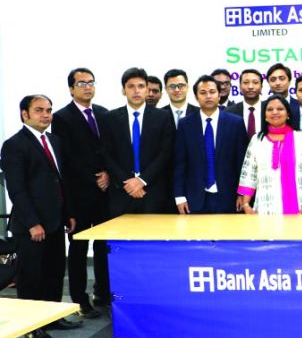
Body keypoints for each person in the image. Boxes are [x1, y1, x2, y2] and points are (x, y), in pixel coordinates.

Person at [3, 95, 84, 337]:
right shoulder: (14, 144)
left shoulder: (53, 140)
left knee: (54, 273)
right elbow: (16, 189)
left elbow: (60, 181)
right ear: (24, 114)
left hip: (56, 222)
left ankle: (52, 318)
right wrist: (32, 223)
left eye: (48, 110)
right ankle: (33, 328)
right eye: (39, 110)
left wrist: (68, 213)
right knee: (32, 278)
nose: (46, 115)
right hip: (32, 226)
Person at [51, 68, 108, 318]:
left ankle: (103, 293)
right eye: (81, 83)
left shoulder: (105, 114)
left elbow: (111, 149)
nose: (87, 86)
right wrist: (93, 178)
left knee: (106, 246)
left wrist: (108, 173)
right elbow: (67, 159)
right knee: (78, 250)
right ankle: (79, 299)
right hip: (79, 195)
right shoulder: (61, 118)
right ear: (71, 88)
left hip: (106, 193)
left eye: (91, 82)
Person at [100, 67, 175, 218]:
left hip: (152, 191)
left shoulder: (163, 117)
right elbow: (106, 154)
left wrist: (142, 180)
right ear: (123, 90)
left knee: (152, 239)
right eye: (131, 86)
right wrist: (127, 183)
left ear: (147, 90)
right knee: (121, 240)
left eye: (141, 86)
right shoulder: (109, 118)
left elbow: (165, 153)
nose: (136, 91)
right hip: (121, 192)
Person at [174, 75, 248, 214]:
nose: (208, 96)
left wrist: (242, 194)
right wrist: (179, 196)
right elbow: (179, 163)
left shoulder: (236, 123)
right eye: (203, 93)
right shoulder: (185, 124)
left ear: (219, 95)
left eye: (212, 92)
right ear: (196, 97)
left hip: (228, 196)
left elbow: (241, 163)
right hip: (194, 197)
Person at [237, 94, 302, 215]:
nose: (275, 112)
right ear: (265, 115)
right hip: (265, 206)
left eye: (280, 109)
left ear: (288, 114)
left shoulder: (301, 137)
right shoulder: (257, 139)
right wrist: (246, 204)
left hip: (299, 205)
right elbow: (249, 172)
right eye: (270, 109)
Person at [227, 69, 265, 141]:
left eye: (255, 82)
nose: (250, 86)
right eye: (246, 82)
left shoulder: (269, 110)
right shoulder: (230, 112)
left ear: (261, 87)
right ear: (240, 87)